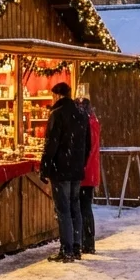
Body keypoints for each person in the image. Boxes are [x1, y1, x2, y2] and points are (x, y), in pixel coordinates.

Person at [40, 82, 91, 263]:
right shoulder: (81, 114)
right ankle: (76, 247)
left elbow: (51, 144)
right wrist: (80, 163)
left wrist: (45, 167)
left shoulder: (57, 114)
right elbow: (88, 145)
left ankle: (67, 249)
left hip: (60, 169)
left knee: (63, 210)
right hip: (76, 170)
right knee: (75, 208)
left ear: (57, 95)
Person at [77, 97, 101, 255]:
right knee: (86, 208)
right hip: (91, 171)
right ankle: (89, 242)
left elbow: (84, 149)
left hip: (84, 171)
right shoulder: (94, 122)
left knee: (82, 208)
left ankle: (85, 242)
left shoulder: (84, 124)